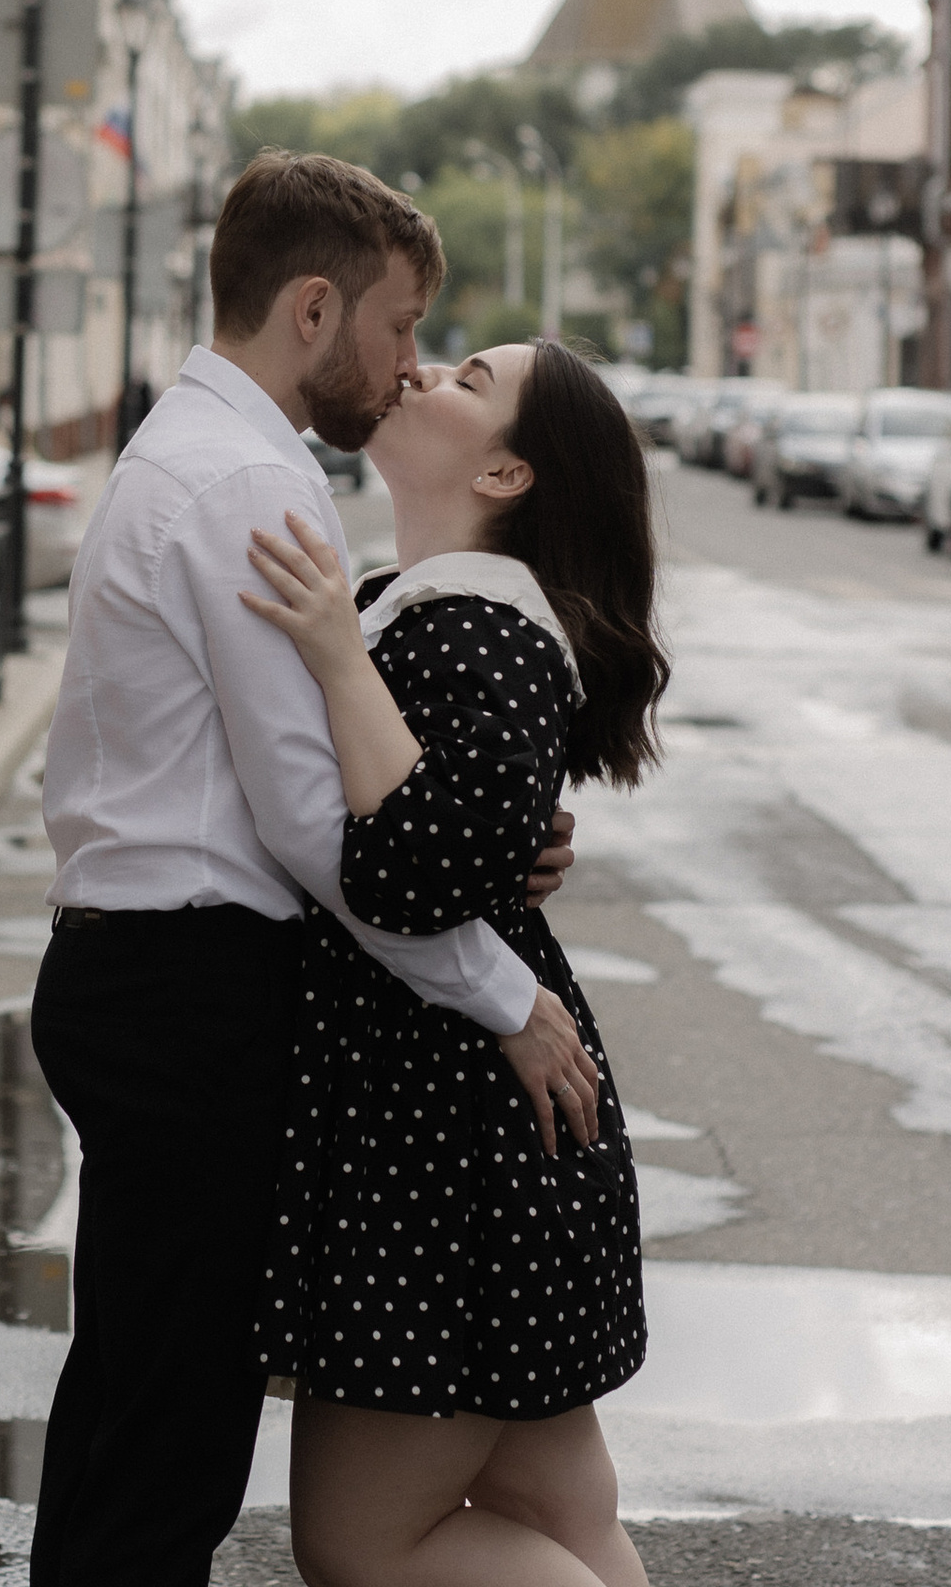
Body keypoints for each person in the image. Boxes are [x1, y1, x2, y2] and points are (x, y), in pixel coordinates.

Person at [29, 152, 597, 1587]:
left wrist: (490, 826)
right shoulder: (236, 487)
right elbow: (313, 825)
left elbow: (363, 781)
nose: (407, 367)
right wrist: (498, 995)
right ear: (312, 309)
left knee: (134, 1406)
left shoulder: (221, 459)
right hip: (188, 987)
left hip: (158, 977)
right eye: (403, 329)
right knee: (167, 1444)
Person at [242, 336, 668, 1587]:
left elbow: (404, 875)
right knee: (556, 1514)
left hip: (446, 1155)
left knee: (365, 1542)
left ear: (505, 473)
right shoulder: (426, 607)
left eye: (467, 381)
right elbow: (452, 844)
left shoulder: (477, 627)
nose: (424, 373)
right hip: (478, 1135)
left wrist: (330, 652)